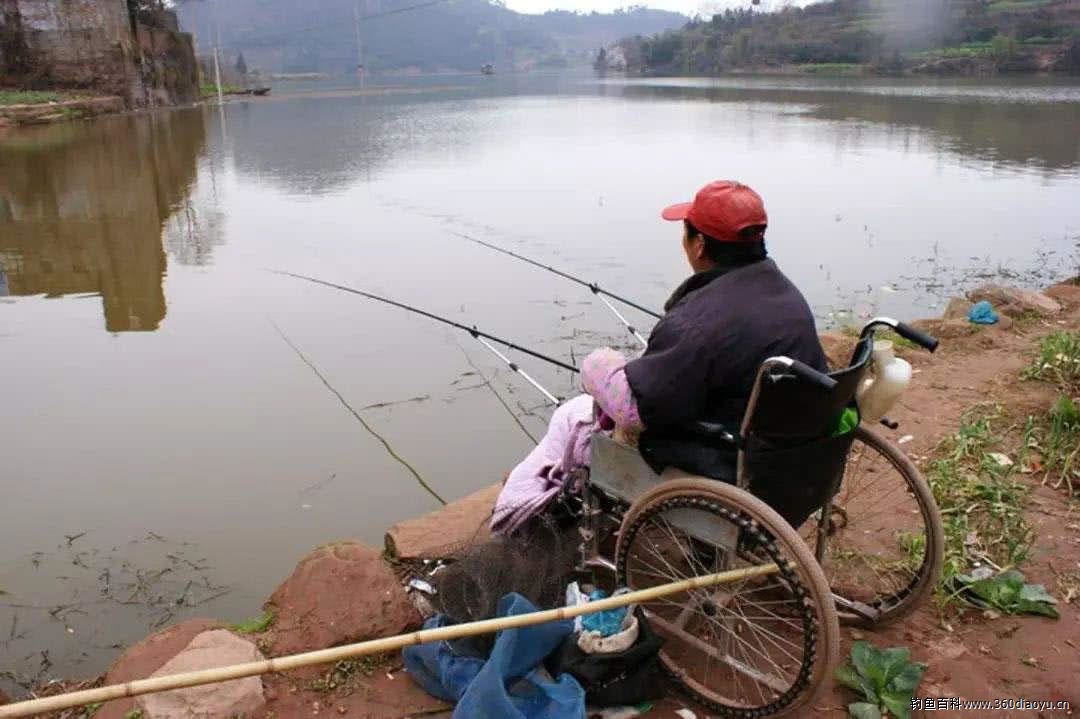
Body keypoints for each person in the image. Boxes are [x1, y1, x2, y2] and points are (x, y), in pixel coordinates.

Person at [491, 180, 826, 534]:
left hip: (728, 466)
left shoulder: (698, 322)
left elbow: (635, 413)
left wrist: (598, 366)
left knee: (570, 416)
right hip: (790, 463)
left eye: (685, 233)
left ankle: (513, 512)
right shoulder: (787, 295)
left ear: (699, 245)